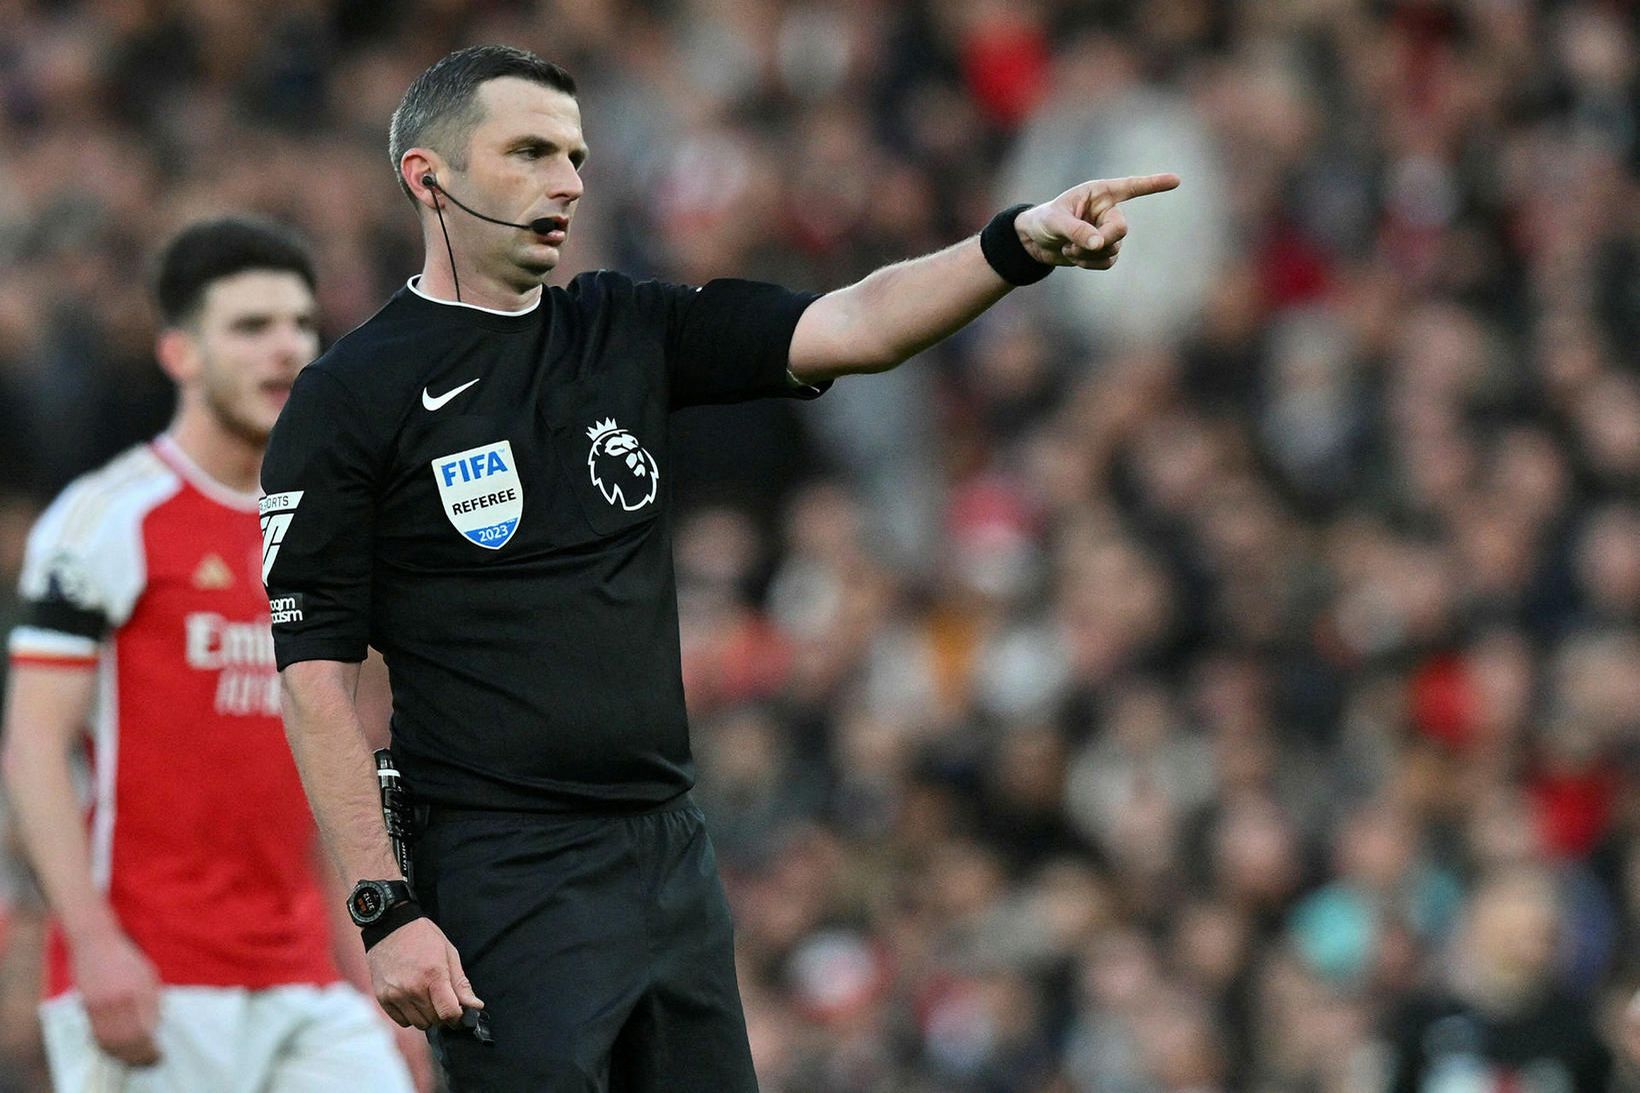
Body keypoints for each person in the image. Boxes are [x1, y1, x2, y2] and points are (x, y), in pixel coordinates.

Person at [261, 43, 1177, 1092]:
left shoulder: (626, 326)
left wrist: (1011, 245)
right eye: (529, 152)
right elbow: (314, 675)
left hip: (665, 853)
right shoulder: (348, 399)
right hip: (499, 868)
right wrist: (385, 909)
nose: (567, 179)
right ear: (429, 176)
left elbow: (856, 322)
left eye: (575, 154)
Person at [0, 219, 417, 1092]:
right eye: (250, 326)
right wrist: (95, 944)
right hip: (152, 977)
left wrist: (374, 955)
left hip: (302, 978)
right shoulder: (106, 520)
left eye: (300, 325)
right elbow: (34, 747)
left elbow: (337, 764)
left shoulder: (328, 537)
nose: (284, 349)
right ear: (180, 352)